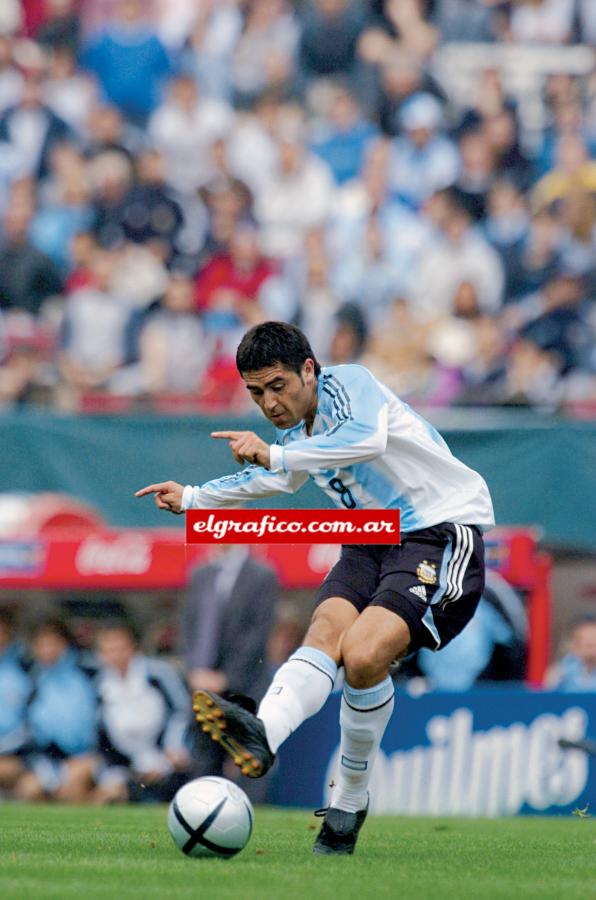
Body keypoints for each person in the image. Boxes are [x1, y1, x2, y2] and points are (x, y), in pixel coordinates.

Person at [136, 320, 494, 855]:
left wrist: (274, 455)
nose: (270, 403)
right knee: (325, 629)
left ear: (309, 369)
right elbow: (275, 477)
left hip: (439, 531)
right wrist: (192, 498)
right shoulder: (297, 437)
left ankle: (350, 800)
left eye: (277, 386)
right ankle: (262, 732)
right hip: (367, 537)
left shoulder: (351, 385)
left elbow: (364, 441)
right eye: (256, 393)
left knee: (364, 653)